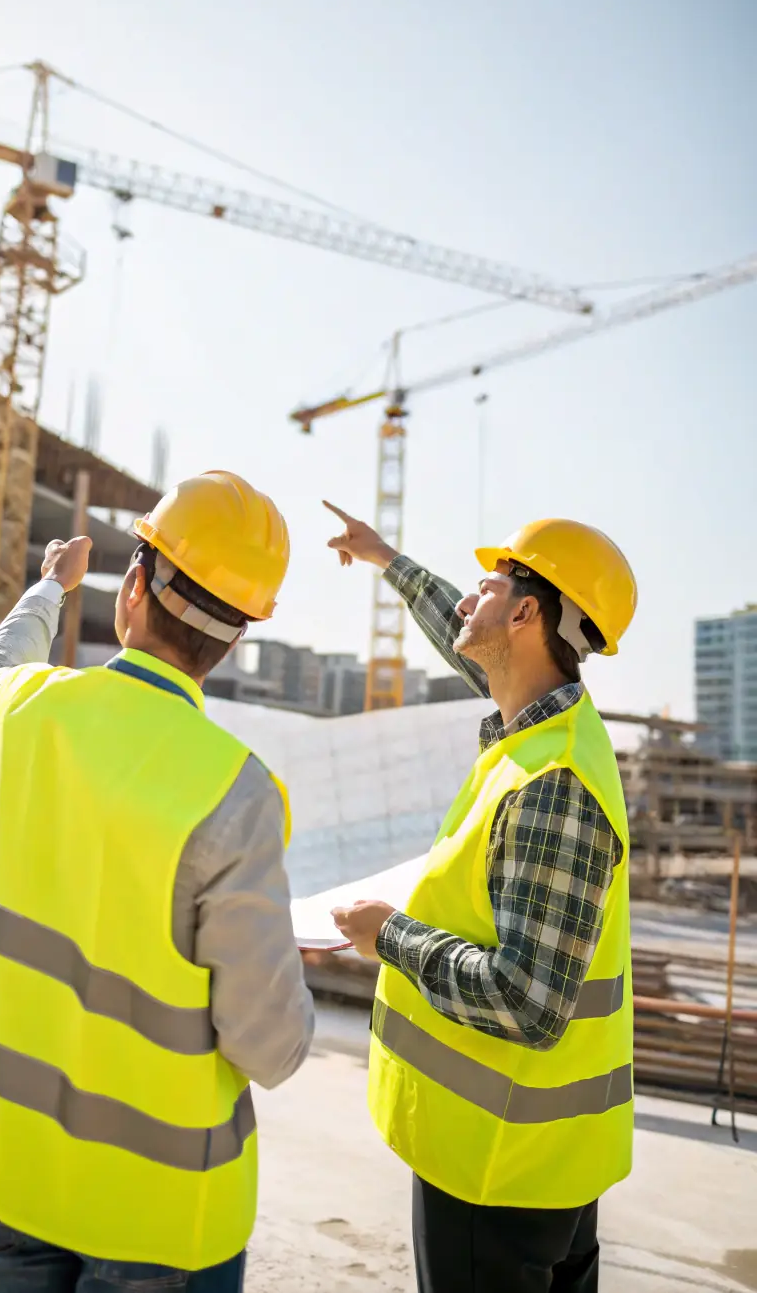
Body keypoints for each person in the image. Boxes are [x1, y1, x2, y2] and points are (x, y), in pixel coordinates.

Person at [0, 471, 314, 1292]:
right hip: (161, 1211)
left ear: (133, 591)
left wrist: (50, 588)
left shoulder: (30, 713)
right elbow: (268, 1047)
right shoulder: (239, 793)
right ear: (235, 637)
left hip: (20, 1172)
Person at [324, 503, 637, 1293]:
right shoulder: (540, 719)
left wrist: (387, 934)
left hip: (496, 1171)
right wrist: (387, 559)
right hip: (544, 1158)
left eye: (486, 585)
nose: (467, 600)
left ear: (527, 612)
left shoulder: (552, 783)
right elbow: (465, 640)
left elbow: (528, 999)